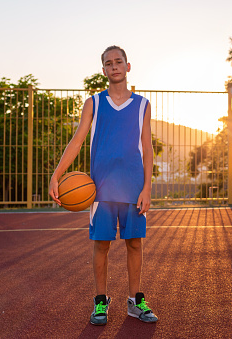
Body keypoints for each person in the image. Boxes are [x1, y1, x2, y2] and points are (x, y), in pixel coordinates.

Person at [49, 45, 158, 326]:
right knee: (101, 245)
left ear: (128, 66)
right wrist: (57, 174)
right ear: (104, 70)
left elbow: (147, 148)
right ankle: (100, 302)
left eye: (118, 62)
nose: (114, 67)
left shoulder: (143, 105)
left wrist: (147, 188)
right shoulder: (94, 103)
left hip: (133, 187)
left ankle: (135, 301)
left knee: (135, 243)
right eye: (108, 63)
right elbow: (78, 140)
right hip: (101, 188)